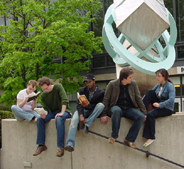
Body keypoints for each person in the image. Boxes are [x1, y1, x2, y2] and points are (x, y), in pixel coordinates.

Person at [100, 67, 146, 149]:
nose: (132, 79)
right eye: (130, 77)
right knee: (116, 110)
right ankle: (114, 136)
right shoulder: (112, 84)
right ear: (124, 78)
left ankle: (129, 139)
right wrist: (103, 114)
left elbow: (138, 98)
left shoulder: (133, 84)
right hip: (116, 107)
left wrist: (144, 112)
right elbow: (106, 100)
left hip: (129, 108)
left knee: (141, 116)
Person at [64, 73, 105, 152]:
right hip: (83, 110)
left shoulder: (101, 92)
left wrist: (88, 106)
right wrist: (81, 115)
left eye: (89, 82)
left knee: (101, 105)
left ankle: (87, 125)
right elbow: (78, 104)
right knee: (74, 120)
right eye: (86, 82)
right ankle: (70, 143)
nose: (88, 84)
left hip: (93, 111)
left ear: (94, 81)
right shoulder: (82, 90)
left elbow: (97, 106)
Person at [33, 77, 71, 157]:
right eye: (43, 89)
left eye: (46, 88)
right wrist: (44, 113)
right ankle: (41, 145)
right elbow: (47, 109)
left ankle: (60, 147)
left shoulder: (58, 87)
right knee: (40, 119)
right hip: (52, 112)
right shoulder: (43, 96)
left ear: (50, 84)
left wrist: (62, 112)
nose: (45, 91)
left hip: (64, 111)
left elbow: (64, 100)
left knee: (59, 119)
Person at [142, 68, 175, 147]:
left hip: (167, 108)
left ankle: (151, 137)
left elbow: (172, 99)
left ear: (164, 77)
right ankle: (143, 113)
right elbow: (148, 95)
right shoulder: (158, 86)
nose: (157, 78)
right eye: (156, 76)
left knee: (150, 114)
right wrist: (141, 101)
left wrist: (160, 105)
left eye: (159, 76)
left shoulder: (170, 86)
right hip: (158, 106)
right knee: (150, 91)